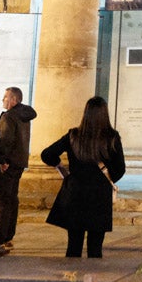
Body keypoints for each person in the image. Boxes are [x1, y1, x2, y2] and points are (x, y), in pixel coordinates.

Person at [41, 96, 126, 258]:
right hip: (99, 194)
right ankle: (92, 273)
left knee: (73, 245)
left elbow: (47, 154)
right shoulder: (112, 137)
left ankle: (72, 273)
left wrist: (60, 166)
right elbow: (120, 169)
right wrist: (107, 178)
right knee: (95, 247)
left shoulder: (73, 135)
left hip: (75, 192)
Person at [0, 86, 37, 249]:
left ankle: (1, 237)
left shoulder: (9, 116)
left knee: (3, 201)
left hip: (7, 165)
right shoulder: (23, 115)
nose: (3, 100)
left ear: (13, 100)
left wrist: (3, 160)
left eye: (5, 97)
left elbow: (6, 139)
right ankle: (8, 235)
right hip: (18, 162)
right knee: (12, 199)